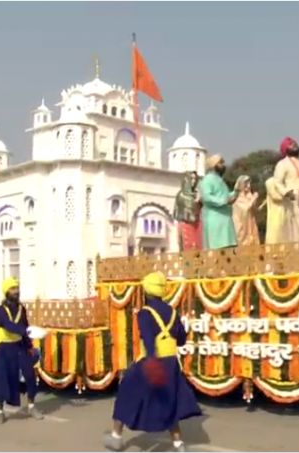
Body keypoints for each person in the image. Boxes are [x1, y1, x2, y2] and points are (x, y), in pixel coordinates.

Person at [104, 272, 202, 452]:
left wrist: (151, 363)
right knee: (169, 401)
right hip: (171, 364)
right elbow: (181, 340)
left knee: (126, 394)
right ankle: (179, 444)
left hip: (151, 362)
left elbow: (148, 341)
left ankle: (116, 437)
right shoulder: (173, 312)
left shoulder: (145, 313)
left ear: (146, 292)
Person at [0, 277, 43, 423]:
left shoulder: (21, 309)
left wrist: (29, 346)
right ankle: (0, 411)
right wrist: (27, 331)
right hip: (1, 348)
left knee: (30, 375)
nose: (16, 291)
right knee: (1, 379)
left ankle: (32, 406)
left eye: (17, 288)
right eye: (13, 289)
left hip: (18, 346)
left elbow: (25, 325)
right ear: (6, 291)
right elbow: (9, 326)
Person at [199, 155, 237, 250]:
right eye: (220, 163)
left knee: (230, 250)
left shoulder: (220, 180)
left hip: (226, 221)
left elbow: (226, 196)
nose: (223, 165)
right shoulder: (207, 180)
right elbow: (207, 197)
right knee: (218, 251)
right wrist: (224, 201)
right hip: (215, 221)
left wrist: (237, 191)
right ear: (213, 165)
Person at [173, 171, 203, 251]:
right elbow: (178, 213)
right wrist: (196, 202)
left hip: (197, 227)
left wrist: (200, 200)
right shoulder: (181, 195)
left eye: (195, 179)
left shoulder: (197, 194)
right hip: (186, 226)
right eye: (191, 179)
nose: (193, 181)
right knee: (188, 249)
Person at [232, 175, 260, 246]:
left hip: (251, 226)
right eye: (246, 184)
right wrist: (253, 198)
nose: (248, 186)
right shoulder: (238, 199)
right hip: (242, 229)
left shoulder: (249, 196)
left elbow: (254, 211)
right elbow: (245, 210)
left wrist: (254, 200)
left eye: (249, 183)